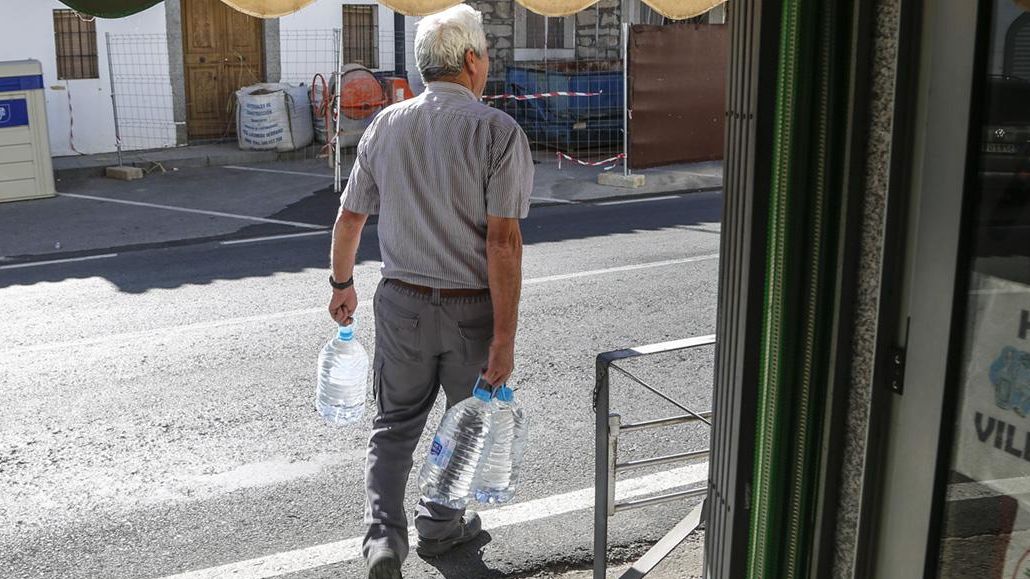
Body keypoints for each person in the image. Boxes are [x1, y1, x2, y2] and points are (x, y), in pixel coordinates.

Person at [326, 5, 534, 579]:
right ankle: (441, 528)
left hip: (402, 303)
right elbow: (503, 244)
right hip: (472, 309)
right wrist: (505, 338)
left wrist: (342, 285)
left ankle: (384, 542)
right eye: (485, 55)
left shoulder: (385, 126)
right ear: (471, 61)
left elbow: (348, 221)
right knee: (463, 421)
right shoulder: (497, 132)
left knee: (394, 426)